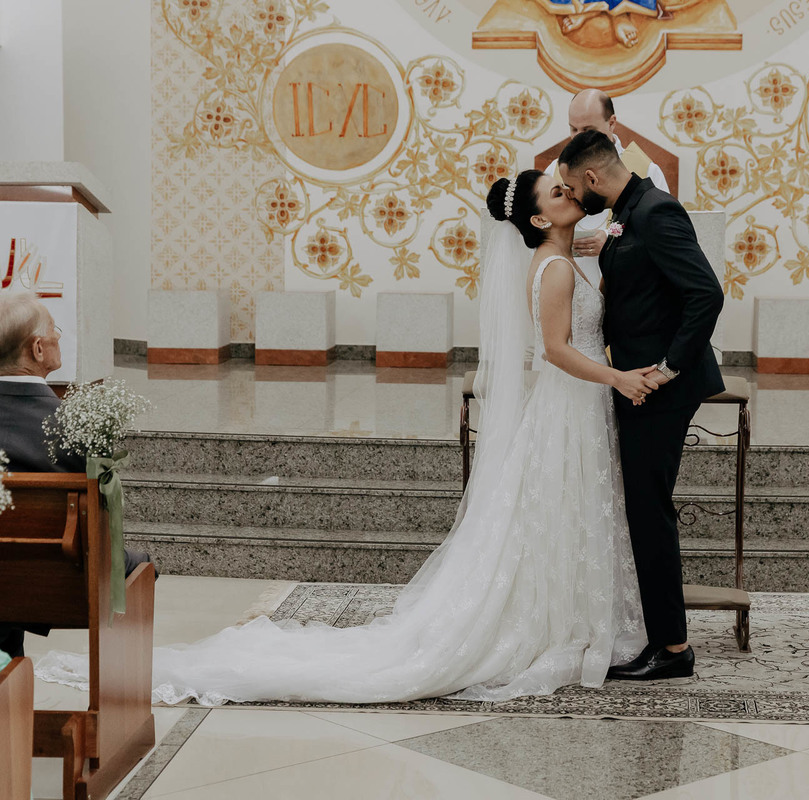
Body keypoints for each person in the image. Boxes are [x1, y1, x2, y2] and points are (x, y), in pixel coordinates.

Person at [37, 172, 661, 705]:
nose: (570, 191)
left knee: (567, 511)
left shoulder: (563, 256)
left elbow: (584, 285)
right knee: (557, 509)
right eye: (557, 191)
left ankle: (573, 616)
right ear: (537, 217)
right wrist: (618, 377)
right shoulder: (553, 270)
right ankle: (555, 623)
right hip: (570, 401)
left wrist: (607, 239)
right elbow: (554, 350)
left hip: (577, 406)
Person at [558, 130, 724, 681]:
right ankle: (662, 638)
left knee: (650, 511)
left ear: (591, 177)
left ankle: (673, 649)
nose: (574, 198)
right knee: (643, 508)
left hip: (659, 386)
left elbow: (706, 293)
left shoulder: (656, 211)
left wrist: (669, 367)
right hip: (635, 379)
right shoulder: (627, 212)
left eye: (572, 188)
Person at [0, 292, 154, 657]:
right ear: (38, 349)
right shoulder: (76, 428)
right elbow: (101, 530)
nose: (59, 336)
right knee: (140, 564)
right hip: (55, 586)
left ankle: (9, 668)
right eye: (54, 329)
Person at [545, 89, 669, 287]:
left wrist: (613, 242)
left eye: (587, 129)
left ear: (611, 123)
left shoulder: (647, 171)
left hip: (625, 283)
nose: (578, 138)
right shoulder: (555, 170)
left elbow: (661, 236)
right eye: (573, 129)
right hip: (567, 280)